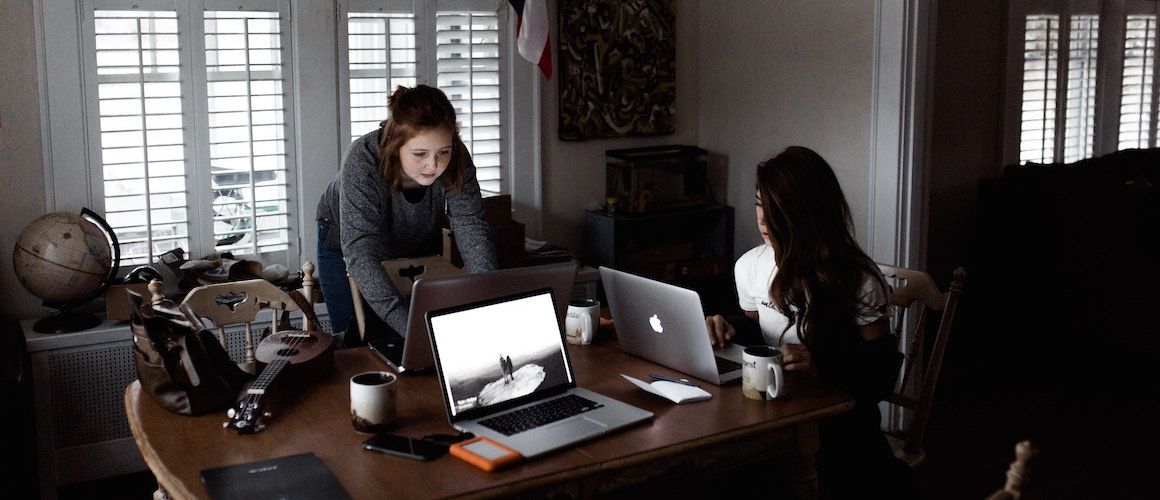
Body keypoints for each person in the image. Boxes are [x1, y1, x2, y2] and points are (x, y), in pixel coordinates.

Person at [705, 146, 919, 499]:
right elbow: (757, 331)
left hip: (840, 429)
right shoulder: (749, 266)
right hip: (772, 412)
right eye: (760, 204)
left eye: (775, 209)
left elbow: (880, 373)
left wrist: (821, 364)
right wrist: (724, 326)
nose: (763, 220)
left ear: (807, 212)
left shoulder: (857, 279)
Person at [316, 85, 497, 346]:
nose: (433, 165)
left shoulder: (456, 158)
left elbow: (472, 228)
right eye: (420, 154)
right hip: (347, 239)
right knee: (353, 343)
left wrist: (488, 301)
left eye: (443, 152)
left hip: (416, 234)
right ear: (394, 145)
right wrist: (414, 331)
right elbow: (361, 253)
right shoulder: (362, 160)